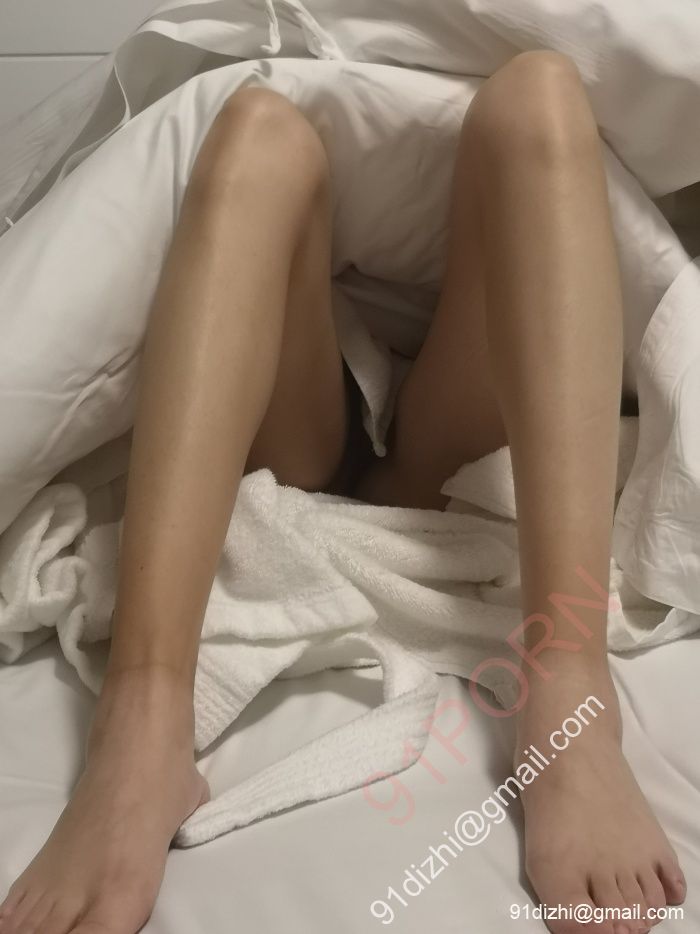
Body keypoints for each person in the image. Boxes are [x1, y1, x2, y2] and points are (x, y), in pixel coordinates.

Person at [0, 50, 686, 934]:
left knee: (542, 94)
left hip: (440, 443)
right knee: (256, 129)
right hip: (296, 432)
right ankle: (142, 714)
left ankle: (569, 685)